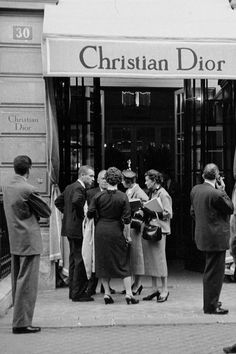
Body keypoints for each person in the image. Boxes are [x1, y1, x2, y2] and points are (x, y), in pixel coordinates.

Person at [2, 155, 51, 334]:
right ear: (28, 169)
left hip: (14, 239)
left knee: (17, 282)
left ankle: (18, 319)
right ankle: (22, 323)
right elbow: (46, 211)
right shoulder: (28, 189)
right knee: (27, 284)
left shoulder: (6, 186)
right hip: (29, 240)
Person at [87, 167, 139, 305]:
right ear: (119, 180)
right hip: (117, 229)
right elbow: (127, 220)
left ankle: (107, 294)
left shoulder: (98, 196)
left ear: (107, 180)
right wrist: (127, 237)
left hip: (101, 230)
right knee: (123, 261)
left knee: (103, 262)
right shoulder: (123, 196)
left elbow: (90, 213)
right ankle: (128, 294)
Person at [190, 163, 234, 315]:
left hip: (203, 235)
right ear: (217, 176)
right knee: (215, 274)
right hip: (216, 238)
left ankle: (211, 300)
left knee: (210, 271)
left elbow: (192, 212)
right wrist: (222, 190)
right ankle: (211, 306)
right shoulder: (217, 193)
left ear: (203, 175)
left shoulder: (195, 190)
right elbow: (230, 208)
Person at [55, 165, 95, 302]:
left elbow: (58, 202)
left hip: (69, 228)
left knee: (73, 260)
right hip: (77, 229)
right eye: (90, 176)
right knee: (79, 260)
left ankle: (73, 291)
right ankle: (78, 293)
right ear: (82, 175)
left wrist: (68, 215)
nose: (92, 179)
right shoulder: (79, 188)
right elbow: (76, 201)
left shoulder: (69, 187)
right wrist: (81, 216)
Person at [142, 169, 172, 302]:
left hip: (160, 229)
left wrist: (153, 212)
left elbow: (168, 213)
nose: (145, 182)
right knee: (151, 260)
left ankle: (164, 289)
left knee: (160, 260)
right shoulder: (152, 192)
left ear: (154, 181)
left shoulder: (163, 194)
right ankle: (155, 288)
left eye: (147, 180)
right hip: (152, 227)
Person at [86, 170, 116, 296]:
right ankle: (91, 287)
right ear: (97, 180)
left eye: (106, 178)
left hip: (107, 229)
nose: (104, 180)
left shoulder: (114, 193)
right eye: (102, 178)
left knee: (106, 259)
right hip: (94, 229)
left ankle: (106, 288)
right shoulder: (90, 193)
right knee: (94, 259)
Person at [122, 169, 148, 295]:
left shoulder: (138, 190)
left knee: (137, 255)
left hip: (136, 226)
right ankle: (134, 283)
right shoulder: (129, 190)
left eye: (123, 180)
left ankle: (137, 284)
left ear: (128, 181)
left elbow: (146, 202)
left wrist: (138, 209)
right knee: (131, 255)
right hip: (129, 225)